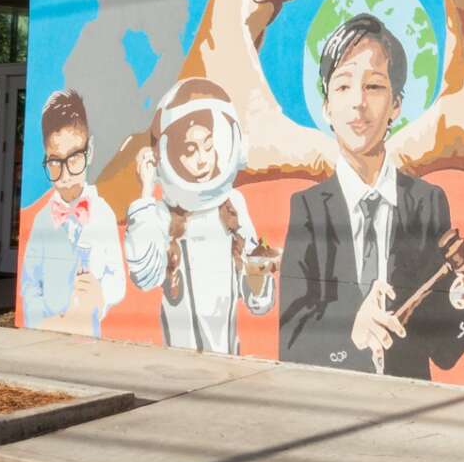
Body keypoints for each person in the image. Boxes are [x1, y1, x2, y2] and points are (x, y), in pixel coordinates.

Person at [279, 12, 464, 377]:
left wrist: (463, 297)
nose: (358, 102)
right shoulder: (308, 208)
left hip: (408, 401)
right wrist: (351, 331)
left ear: (396, 104)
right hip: (332, 398)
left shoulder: (427, 202)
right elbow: (290, 341)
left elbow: (445, 352)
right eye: (342, 86)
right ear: (326, 107)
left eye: (374, 86)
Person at [124, 77, 278, 353]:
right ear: (169, 155)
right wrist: (146, 189)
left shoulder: (233, 206)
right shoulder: (162, 215)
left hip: (228, 361)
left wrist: (261, 270)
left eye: (208, 145)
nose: (203, 158)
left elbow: (259, 302)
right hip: (180, 364)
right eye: (190, 150)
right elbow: (145, 276)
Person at [20, 90, 125, 335]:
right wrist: (42, 321)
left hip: (89, 332)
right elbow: (29, 282)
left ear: (90, 151)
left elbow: (117, 278)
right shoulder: (42, 221)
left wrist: (100, 294)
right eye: (55, 162)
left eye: (74, 158)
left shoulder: (103, 214)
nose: (65, 174)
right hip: (49, 330)